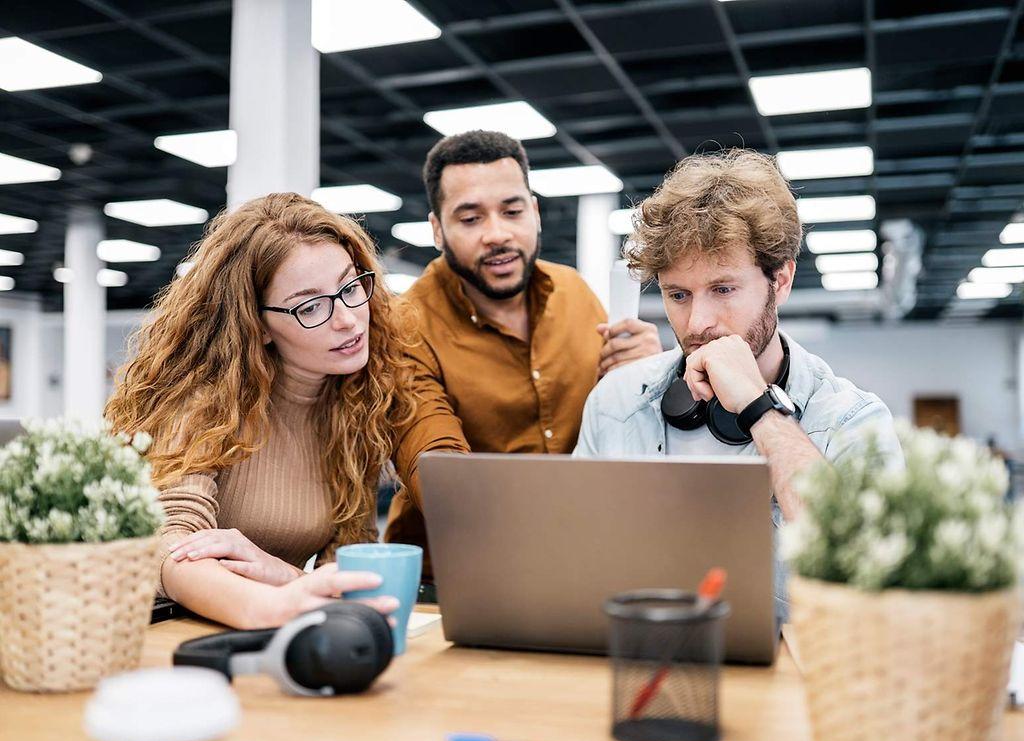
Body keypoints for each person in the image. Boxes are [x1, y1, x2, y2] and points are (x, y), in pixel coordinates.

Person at [573, 149, 902, 617]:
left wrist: (759, 409)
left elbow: (873, 577)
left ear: (781, 280)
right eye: (678, 295)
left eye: (723, 289)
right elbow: (574, 557)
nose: (698, 322)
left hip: (791, 681)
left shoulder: (853, 422)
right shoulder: (615, 401)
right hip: (638, 663)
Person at [105, 193, 416, 629]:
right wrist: (268, 605)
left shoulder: (356, 408)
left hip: (282, 640)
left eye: (350, 287)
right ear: (258, 324)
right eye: (310, 306)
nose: (346, 319)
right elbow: (167, 544)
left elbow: (340, 570)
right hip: (174, 638)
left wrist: (285, 578)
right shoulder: (203, 403)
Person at [385, 130, 664, 581]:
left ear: (534, 213)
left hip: (579, 558)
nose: (497, 235)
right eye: (470, 219)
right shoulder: (405, 325)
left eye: (512, 211)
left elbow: (618, 426)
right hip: (454, 576)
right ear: (438, 230)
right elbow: (434, 466)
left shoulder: (573, 292)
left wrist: (649, 376)